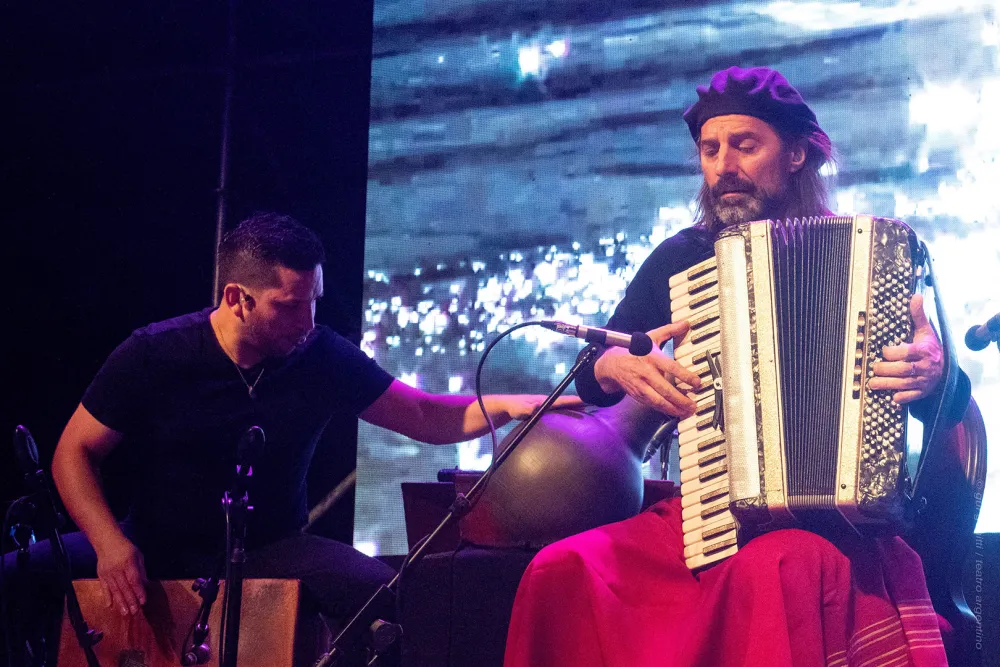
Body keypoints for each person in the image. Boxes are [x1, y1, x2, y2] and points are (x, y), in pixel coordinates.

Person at [503, 67, 971, 667]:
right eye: (710, 149)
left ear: (797, 154)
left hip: (842, 523)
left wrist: (933, 374)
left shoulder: (873, 261)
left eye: (745, 146)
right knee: (559, 567)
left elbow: (946, 402)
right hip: (710, 511)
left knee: (782, 565)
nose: (724, 165)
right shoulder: (682, 257)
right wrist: (618, 364)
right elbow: (595, 367)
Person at [1, 212, 578, 662]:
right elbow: (73, 453)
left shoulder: (321, 354)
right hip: (154, 541)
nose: (308, 321)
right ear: (237, 299)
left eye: (314, 302)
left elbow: (427, 418)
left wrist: (514, 404)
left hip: (272, 545)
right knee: (13, 576)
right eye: (291, 306)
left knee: (386, 595)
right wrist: (108, 543)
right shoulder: (154, 352)